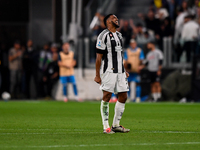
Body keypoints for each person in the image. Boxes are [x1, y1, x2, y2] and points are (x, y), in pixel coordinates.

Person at [94, 14, 130, 134]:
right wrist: (97, 75)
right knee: (107, 97)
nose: (117, 19)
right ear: (108, 21)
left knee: (123, 96)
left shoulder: (120, 35)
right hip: (109, 70)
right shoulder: (103, 35)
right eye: (114, 18)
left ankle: (115, 125)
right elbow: (99, 57)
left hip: (120, 71)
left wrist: (124, 70)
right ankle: (106, 127)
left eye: (117, 18)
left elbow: (119, 55)